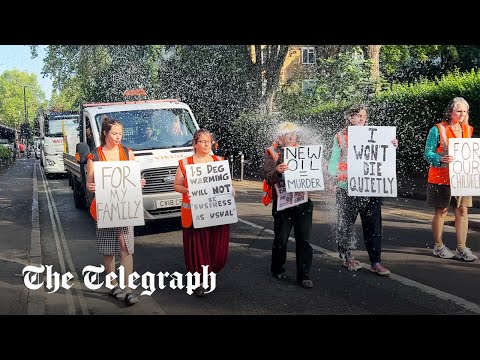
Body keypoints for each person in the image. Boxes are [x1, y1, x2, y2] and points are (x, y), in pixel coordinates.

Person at [327, 104, 398, 275]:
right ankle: (347, 256)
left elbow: (383, 157)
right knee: (346, 224)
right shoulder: (341, 136)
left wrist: (393, 145)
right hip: (346, 187)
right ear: (350, 118)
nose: (362, 119)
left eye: (364, 116)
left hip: (371, 187)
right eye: (358, 115)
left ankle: (376, 261)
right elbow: (334, 160)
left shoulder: (378, 135)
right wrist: (331, 180)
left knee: (373, 225)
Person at [86, 116, 146, 306]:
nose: (118, 137)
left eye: (120, 133)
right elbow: (89, 183)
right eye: (114, 133)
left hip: (125, 207)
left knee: (125, 246)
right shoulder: (94, 156)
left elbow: (134, 179)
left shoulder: (128, 153)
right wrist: (92, 186)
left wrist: (139, 183)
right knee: (108, 248)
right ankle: (113, 284)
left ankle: (128, 288)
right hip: (105, 207)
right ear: (105, 133)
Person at [174, 129, 231, 297]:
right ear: (194, 144)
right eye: (203, 141)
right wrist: (187, 190)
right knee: (198, 248)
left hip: (216, 213)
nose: (207, 144)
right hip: (194, 214)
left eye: (209, 141)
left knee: (217, 250)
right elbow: (176, 185)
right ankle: (199, 281)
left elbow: (226, 183)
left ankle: (209, 273)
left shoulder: (218, 161)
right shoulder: (185, 163)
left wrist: (231, 189)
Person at [424, 97, 478, 262]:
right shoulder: (437, 129)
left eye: (465, 111)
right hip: (441, 177)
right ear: (450, 112)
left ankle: (461, 247)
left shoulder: (468, 130)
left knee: (462, 211)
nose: (462, 114)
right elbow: (428, 153)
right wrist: (440, 159)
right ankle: (438, 246)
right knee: (441, 212)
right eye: (458, 111)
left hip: (462, 177)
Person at [263, 121, 314, 289]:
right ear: (280, 137)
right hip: (283, 203)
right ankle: (277, 268)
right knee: (281, 239)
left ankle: (304, 275)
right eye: (288, 135)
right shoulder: (272, 152)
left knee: (304, 240)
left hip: (303, 201)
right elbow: (268, 178)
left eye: (294, 134)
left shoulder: (305, 151)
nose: (292, 137)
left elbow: (314, 173)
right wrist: (277, 171)